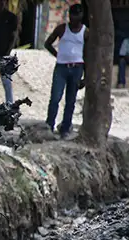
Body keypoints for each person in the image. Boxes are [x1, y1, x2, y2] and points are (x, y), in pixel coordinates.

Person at [45, 4, 87, 139]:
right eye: (73, 16)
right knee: (55, 98)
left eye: (78, 16)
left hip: (77, 68)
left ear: (82, 17)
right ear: (69, 16)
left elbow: (88, 55)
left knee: (71, 101)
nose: (75, 20)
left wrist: (85, 77)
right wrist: (58, 55)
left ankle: (65, 128)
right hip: (62, 68)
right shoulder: (62, 29)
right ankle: (49, 126)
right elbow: (47, 43)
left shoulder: (86, 32)